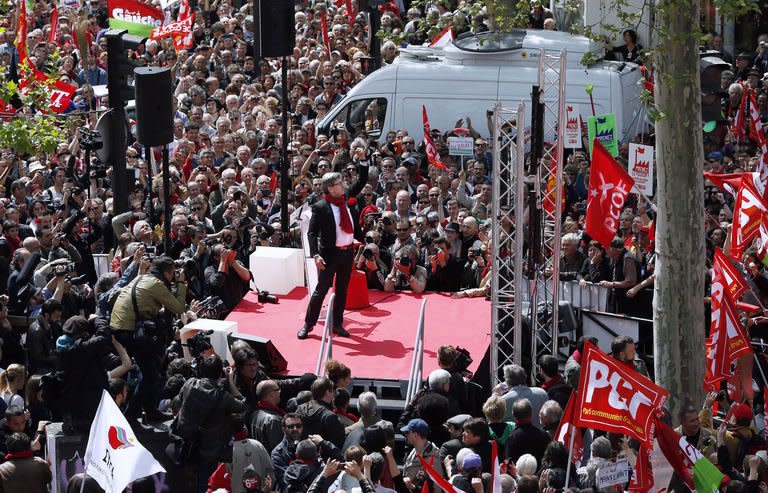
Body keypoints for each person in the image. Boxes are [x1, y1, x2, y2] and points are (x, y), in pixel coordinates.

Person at [110, 256, 187, 423]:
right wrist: (181, 284)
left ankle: (150, 410)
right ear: (166, 273)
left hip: (124, 328)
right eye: (173, 273)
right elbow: (179, 307)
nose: (174, 276)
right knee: (150, 376)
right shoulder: (156, 284)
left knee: (150, 371)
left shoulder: (142, 277)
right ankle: (130, 417)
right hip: (131, 331)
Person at [299, 161, 369, 340]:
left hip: (347, 253)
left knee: (342, 290)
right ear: (331, 188)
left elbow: (362, 181)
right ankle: (309, 323)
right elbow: (312, 233)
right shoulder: (320, 207)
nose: (343, 184)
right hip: (329, 254)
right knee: (321, 290)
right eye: (339, 183)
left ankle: (337, 323)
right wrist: (315, 254)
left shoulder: (345, 198)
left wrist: (363, 162)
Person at [171, 355, 246, 492]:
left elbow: (180, 401)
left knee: (185, 479)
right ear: (220, 373)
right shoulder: (223, 397)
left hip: (186, 441)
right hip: (209, 448)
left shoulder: (190, 384)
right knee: (205, 481)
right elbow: (242, 406)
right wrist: (230, 381)